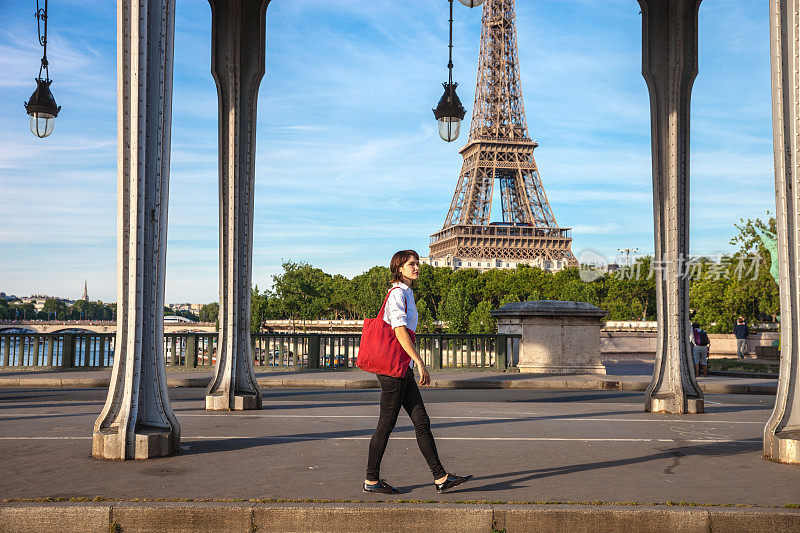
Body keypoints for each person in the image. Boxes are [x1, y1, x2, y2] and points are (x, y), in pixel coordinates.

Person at [363, 249, 472, 495]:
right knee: (385, 425)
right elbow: (400, 331)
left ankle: (440, 477)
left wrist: (413, 364)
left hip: (402, 368)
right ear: (399, 268)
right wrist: (419, 361)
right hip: (395, 369)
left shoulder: (407, 293)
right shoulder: (397, 294)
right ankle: (371, 480)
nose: (417, 267)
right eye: (411, 264)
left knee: (422, 421)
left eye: (418, 263)